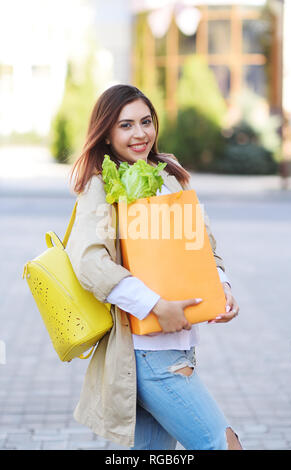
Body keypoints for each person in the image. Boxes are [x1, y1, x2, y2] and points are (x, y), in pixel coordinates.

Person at [66, 84, 242, 450]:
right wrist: (155, 306)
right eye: (126, 125)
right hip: (147, 353)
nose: (140, 133)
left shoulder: (168, 175)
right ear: (107, 133)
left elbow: (203, 244)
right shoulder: (100, 184)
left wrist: (221, 287)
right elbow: (89, 262)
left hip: (179, 347)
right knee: (221, 443)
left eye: (146, 121)